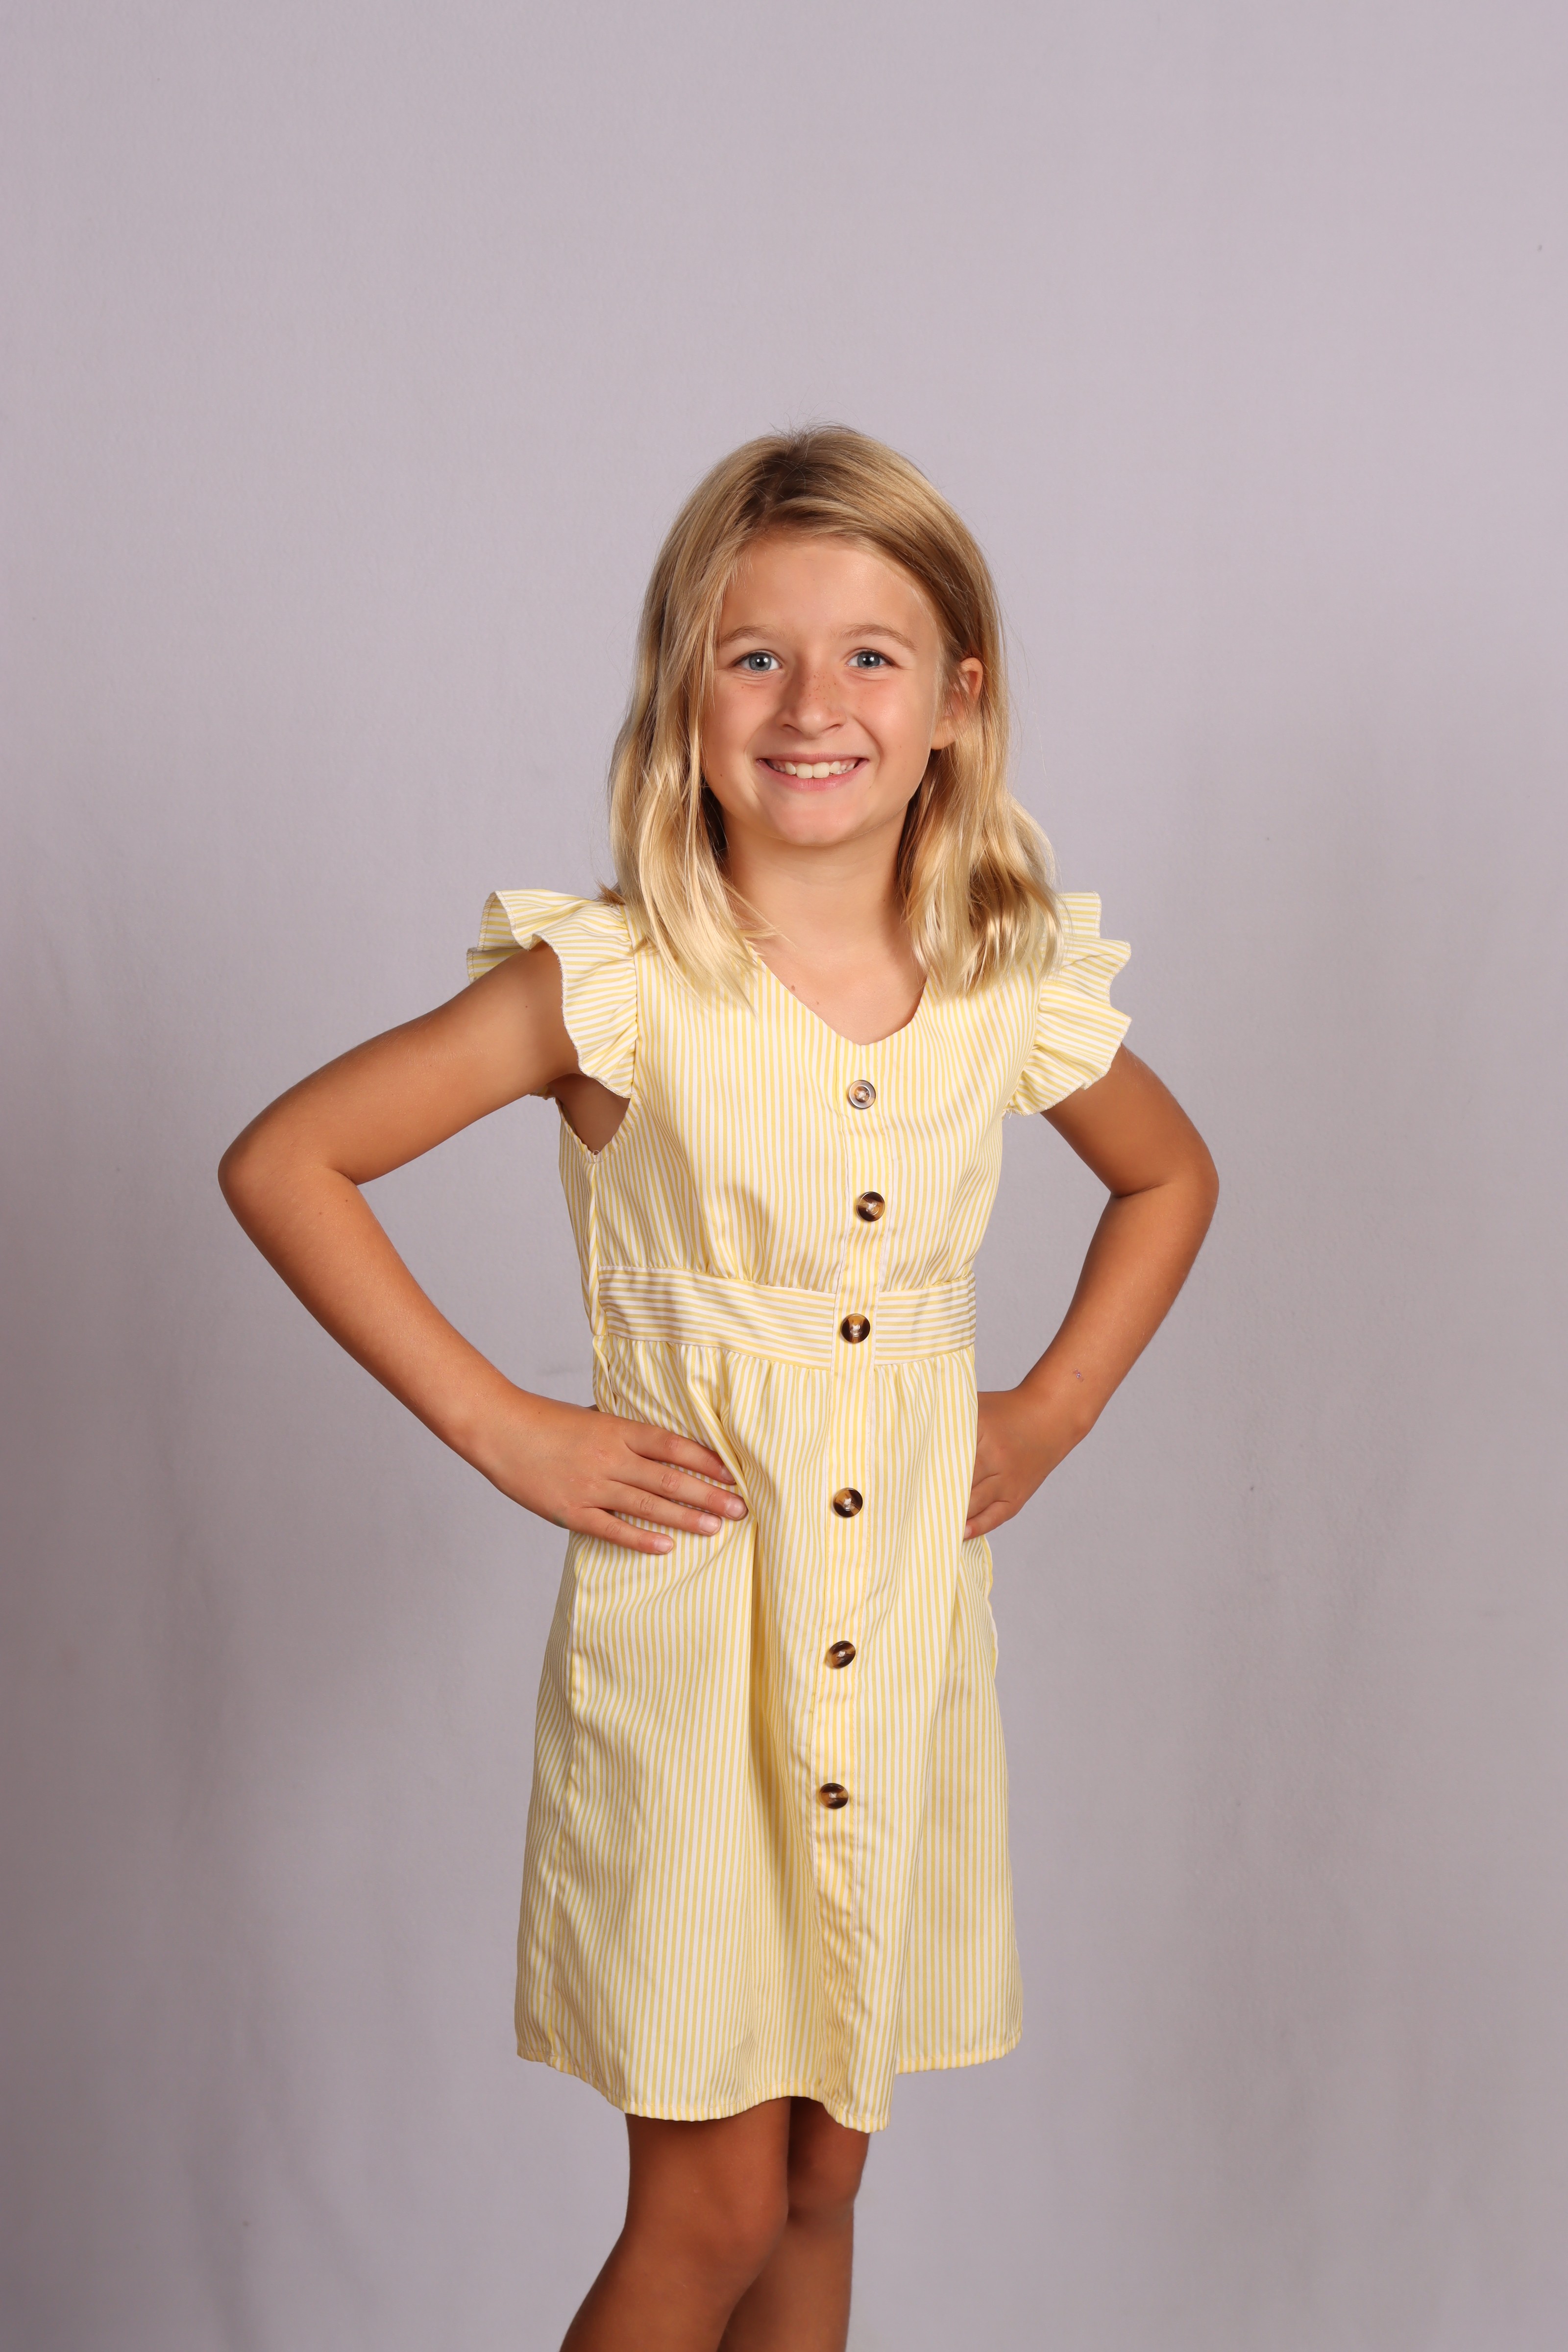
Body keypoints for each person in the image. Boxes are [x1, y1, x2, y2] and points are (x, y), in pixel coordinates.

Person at [219, 427, 1218, 2352]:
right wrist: (507, 1427)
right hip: (694, 1675)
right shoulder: (616, 986)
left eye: (869, 655)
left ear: (957, 699)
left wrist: (1049, 1410)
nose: (811, 703)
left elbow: (1169, 1178)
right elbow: (290, 1161)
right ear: (683, 689)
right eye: (755, 655)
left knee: (825, 2179)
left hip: (897, 1657)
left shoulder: (1004, 983)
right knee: (716, 2202)